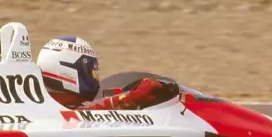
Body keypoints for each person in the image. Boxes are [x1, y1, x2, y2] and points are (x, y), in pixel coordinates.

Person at [37, 37, 179, 110]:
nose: (93, 78)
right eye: (89, 72)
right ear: (68, 71)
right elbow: (79, 116)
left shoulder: (46, 103)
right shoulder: (50, 111)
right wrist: (131, 98)